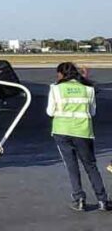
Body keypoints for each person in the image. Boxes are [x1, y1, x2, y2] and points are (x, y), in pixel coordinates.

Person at [47, 62, 109, 212]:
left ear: (61, 74)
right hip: (83, 131)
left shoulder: (55, 89)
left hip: (62, 131)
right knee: (91, 166)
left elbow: (50, 111)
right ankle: (102, 200)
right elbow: (92, 112)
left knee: (72, 167)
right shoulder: (88, 89)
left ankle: (79, 198)